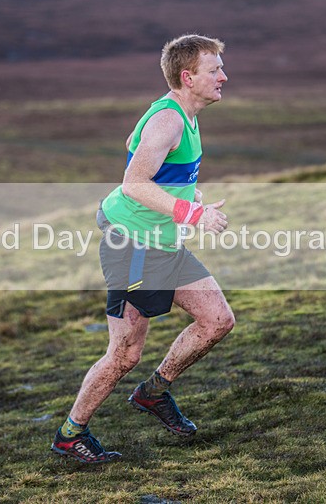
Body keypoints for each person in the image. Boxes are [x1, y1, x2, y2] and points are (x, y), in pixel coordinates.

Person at [51, 34, 235, 463]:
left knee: (217, 320)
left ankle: (154, 393)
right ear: (188, 78)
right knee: (124, 354)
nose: (224, 76)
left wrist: (189, 199)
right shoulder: (167, 120)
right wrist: (190, 214)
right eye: (214, 70)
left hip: (163, 243)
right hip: (131, 244)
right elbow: (133, 183)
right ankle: (70, 434)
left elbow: (139, 154)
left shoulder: (183, 115)